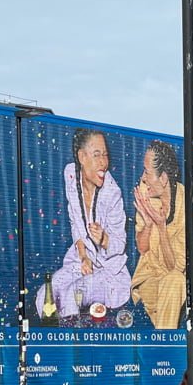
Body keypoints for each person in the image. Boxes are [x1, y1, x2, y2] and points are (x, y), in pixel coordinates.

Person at [39, 129, 131, 320]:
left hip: (109, 274)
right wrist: (83, 256)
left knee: (73, 295)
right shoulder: (70, 175)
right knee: (45, 295)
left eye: (105, 155)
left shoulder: (112, 194)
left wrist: (104, 239)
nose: (103, 162)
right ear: (82, 157)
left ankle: (70, 347)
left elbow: (120, 244)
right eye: (97, 155)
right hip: (82, 263)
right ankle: (46, 344)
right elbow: (75, 221)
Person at [131, 141, 193, 329]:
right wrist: (147, 224)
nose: (142, 178)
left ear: (163, 178)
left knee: (175, 280)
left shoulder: (190, 215)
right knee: (171, 284)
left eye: (146, 172)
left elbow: (175, 267)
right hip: (149, 279)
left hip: (173, 282)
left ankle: (163, 345)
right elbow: (142, 247)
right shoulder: (146, 193)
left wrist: (161, 227)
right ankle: (166, 345)